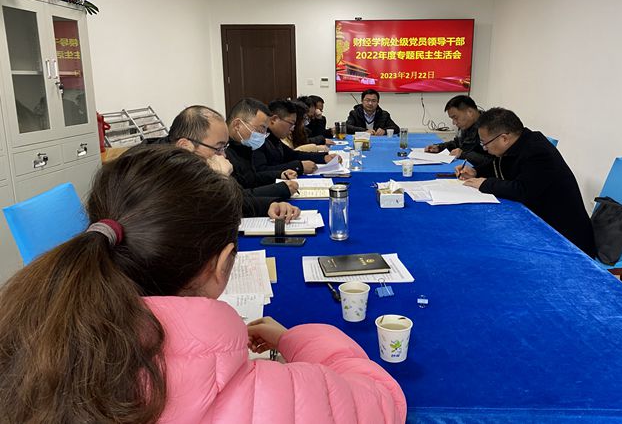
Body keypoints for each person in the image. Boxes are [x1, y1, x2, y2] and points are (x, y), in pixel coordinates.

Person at [0, 147, 407, 423]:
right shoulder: (258, 397)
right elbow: (382, 401)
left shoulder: (30, 343)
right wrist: (294, 338)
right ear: (222, 265)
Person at [456, 107, 596, 257]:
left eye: (485, 143)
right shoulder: (519, 142)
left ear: (504, 138)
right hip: (541, 221)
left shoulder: (538, 152)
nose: (485, 149)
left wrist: (484, 184)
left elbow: (521, 190)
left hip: (565, 239)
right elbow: (500, 165)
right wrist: (476, 171)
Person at [144, 105, 300, 221]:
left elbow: (238, 198)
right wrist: (219, 180)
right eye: (218, 148)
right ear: (185, 146)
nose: (224, 155)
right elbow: (203, 219)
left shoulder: (186, 162)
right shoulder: (152, 174)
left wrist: (269, 205)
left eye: (224, 148)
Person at [226, 98, 299, 200]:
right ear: (237, 125)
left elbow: (251, 179)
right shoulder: (223, 153)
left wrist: (279, 174)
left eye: (265, 130)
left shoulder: (242, 146)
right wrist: (280, 189)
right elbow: (239, 197)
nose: (263, 135)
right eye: (260, 129)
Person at [253, 100, 339, 175]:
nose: (292, 128)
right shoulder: (258, 139)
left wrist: (323, 157)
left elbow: (293, 155)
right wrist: (299, 167)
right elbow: (261, 170)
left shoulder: (274, 138)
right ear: (274, 119)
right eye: (291, 123)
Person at [424, 95, 491, 168]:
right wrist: (439, 147)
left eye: (455, 118)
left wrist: (463, 154)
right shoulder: (467, 124)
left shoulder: (489, 127)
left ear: (470, 112)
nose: (454, 123)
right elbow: (457, 143)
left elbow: (492, 161)